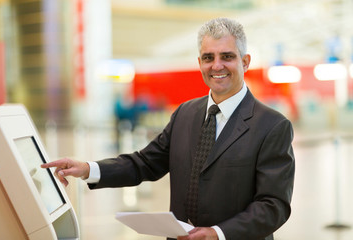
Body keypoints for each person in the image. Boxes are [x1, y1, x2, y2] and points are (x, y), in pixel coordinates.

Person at [42, 17, 295, 240]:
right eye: (208, 58)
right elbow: (145, 163)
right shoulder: (186, 114)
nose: (216, 66)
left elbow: (273, 206)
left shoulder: (272, 126)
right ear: (200, 63)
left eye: (227, 56)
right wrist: (88, 168)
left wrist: (218, 234)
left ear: (245, 61)